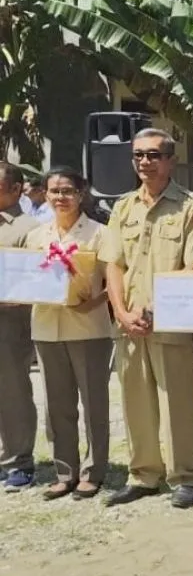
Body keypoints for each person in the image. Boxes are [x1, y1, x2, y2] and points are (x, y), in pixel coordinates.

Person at [100, 129, 193, 508]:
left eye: (153, 155)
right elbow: (112, 265)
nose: (145, 162)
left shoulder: (190, 207)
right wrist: (121, 311)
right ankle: (144, 474)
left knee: (177, 401)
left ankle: (186, 478)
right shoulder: (123, 207)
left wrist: (154, 310)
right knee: (135, 402)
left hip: (170, 323)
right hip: (128, 323)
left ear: (171, 161)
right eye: (138, 156)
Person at [26, 168, 114, 501]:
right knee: (57, 404)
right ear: (45, 195)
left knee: (94, 403)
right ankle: (65, 471)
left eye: (67, 191)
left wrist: (95, 302)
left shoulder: (99, 234)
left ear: (81, 193)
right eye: (53, 191)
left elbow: (115, 283)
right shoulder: (36, 236)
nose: (60, 198)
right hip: (46, 327)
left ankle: (94, 471)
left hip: (88, 327)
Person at [0, 162, 42, 491]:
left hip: (9, 324)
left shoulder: (30, 228)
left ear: (16, 190)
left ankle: (19, 462)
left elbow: (33, 280)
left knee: (12, 392)